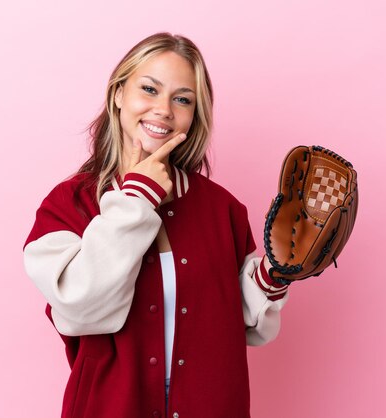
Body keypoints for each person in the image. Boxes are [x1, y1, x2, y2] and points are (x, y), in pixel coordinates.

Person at [23, 32, 289, 418]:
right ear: (118, 94)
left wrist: (274, 276)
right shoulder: (68, 205)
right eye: (149, 89)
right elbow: (80, 308)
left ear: (194, 114)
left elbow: (247, 326)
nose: (163, 109)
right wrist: (136, 199)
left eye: (182, 99)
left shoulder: (224, 209)